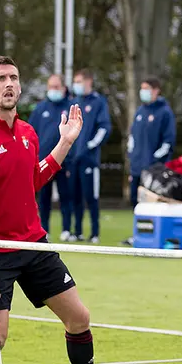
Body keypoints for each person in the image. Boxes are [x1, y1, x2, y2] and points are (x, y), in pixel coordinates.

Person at [0, 56, 133, 364]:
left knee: (79, 318)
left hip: (34, 244)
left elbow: (33, 180)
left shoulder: (28, 133)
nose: (9, 84)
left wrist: (65, 142)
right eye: (1, 78)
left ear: (20, 87)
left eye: (14, 78)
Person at [121, 76, 177, 246]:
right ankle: (137, 234)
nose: (143, 92)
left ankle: (152, 236)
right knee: (136, 202)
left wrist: (155, 162)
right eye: (142, 88)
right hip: (137, 168)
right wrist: (132, 160)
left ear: (156, 90)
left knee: (151, 204)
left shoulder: (165, 112)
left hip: (154, 170)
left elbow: (168, 142)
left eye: (147, 88)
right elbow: (132, 138)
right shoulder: (140, 111)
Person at [28, 74, 75, 241]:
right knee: (44, 198)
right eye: (50, 87)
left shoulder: (71, 107)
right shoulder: (40, 108)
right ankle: (43, 229)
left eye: (56, 87)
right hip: (43, 161)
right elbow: (30, 133)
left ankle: (67, 229)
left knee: (66, 197)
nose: (52, 90)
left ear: (63, 88)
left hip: (65, 163)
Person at [70, 69, 111, 244]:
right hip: (74, 159)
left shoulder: (98, 102)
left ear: (88, 81)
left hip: (90, 160)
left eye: (79, 81)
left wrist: (90, 146)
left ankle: (94, 233)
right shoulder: (74, 102)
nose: (76, 85)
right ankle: (77, 231)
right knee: (75, 197)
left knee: (91, 197)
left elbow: (104, 128)